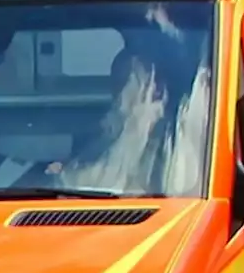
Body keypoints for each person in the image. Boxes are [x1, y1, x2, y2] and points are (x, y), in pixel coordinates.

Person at [44, 46, 169, 193]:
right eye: (116, 82)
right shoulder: (105, 132)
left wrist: (64, 177)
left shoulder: (162, 139)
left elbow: (105, 183)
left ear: (151, 89)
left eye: (125, 81)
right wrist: (65, 170)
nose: (116, 91)